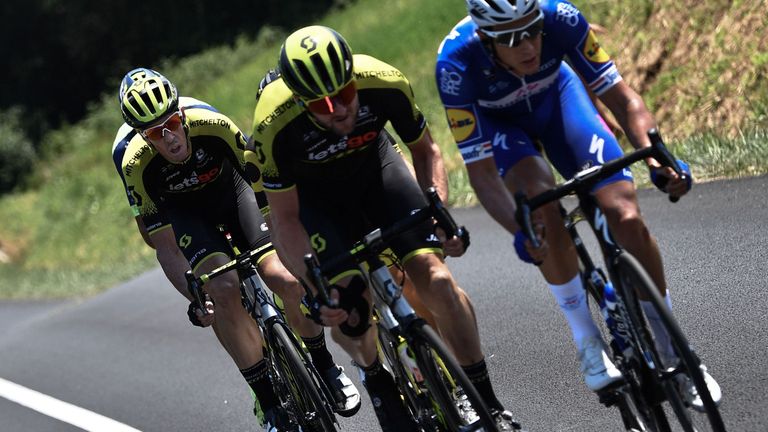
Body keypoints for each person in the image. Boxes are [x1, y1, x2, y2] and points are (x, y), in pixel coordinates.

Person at [435, 0, 720, 409]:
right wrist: (521, 229)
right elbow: (481, 174)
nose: (528, 46)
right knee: (540, 205)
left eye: (532, 30)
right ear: (485, 38)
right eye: (510, 39)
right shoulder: (455, 63)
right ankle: (587, 339)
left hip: (559, 99)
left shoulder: (561, 19)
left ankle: (676, 348)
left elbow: (625, 101)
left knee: (625, 215)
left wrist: (658, 158)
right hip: (503, 128)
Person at [247, 25, 519, 431]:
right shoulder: (273, 125)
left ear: (354, 78)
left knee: (437, 280)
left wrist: (437, 213)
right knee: (349, 311)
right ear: (301, 102)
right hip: (318, 205)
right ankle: (374, 374)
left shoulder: (383, 80)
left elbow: (425, 150)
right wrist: (314, 284)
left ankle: (486, 400)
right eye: (321, 105)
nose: (337, 108)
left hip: (376, 174)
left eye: (343, 94)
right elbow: (284, 218)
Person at [116, 69, 360, 431]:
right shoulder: (135, 166)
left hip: (231, 192)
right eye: (154, 132)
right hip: (186, 216)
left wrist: (285, 243)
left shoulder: (212, 124)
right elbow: (164, 247)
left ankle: (325, 364)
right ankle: (269, 402)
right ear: (142, 136)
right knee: (223, 290)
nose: (168, 137)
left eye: (171, 122)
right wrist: (196, 295)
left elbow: (262, 187)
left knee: (285, 279)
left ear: (181, 114)